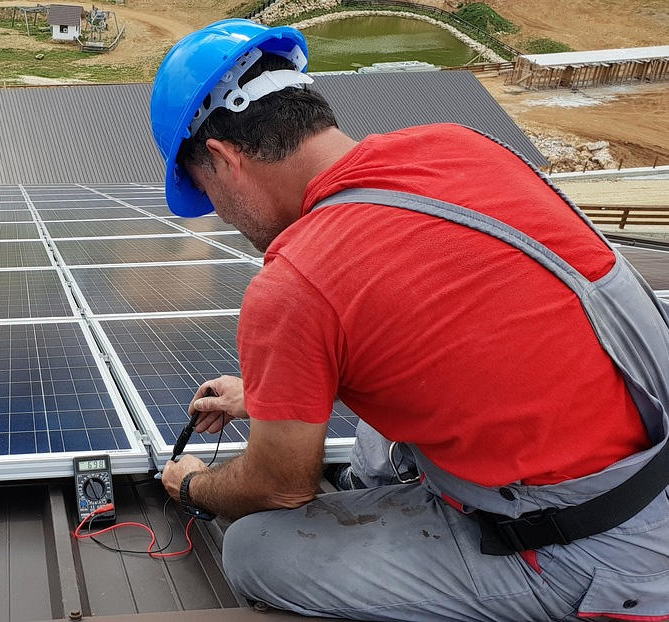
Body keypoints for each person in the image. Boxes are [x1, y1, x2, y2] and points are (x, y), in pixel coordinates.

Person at [151, 19, 669, 622]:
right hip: (647, 454)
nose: (217, 214)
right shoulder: (463, 145)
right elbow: (436, 327)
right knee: (376, 437)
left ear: (222, 158)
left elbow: (279, 488)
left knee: (252, 549)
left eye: (205, 193)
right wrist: (265, 395)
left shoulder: (294, 281)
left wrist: (193, 484)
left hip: (598, 552)